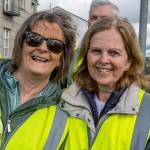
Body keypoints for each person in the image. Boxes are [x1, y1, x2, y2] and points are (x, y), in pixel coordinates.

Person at [60, 16, 150, 149]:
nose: (103, 60)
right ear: (86, 56)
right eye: (96, 51)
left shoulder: (147, 109)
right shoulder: (64, 102)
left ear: (128, 62)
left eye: (114, 53)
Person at [0, 9, 76, 149]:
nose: (43, 48)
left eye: (54, 45)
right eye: (34, 39)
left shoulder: (65, 115)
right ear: (21, 44)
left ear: (61, 60)